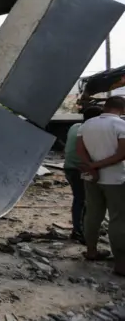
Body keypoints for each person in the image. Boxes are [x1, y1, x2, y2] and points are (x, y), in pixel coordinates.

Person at [76, 96, 125, 276]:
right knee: (118, 219)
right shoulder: (120, 125)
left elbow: (79, 149)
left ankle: (91, 251)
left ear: (106, 107)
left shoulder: (87, 125)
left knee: (93, 215)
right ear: (122, 108)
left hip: (91, 178)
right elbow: (121, 155)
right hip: (116, 179)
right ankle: (121, 264)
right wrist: (96, 166)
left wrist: (90, 166)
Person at [64, 106, 102, 242]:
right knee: (83, 199)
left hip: (70, 168)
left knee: (81, 198)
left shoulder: (75, 126)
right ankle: (79, 231)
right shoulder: (90, 131)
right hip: (80, 170)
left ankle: (82, 228)